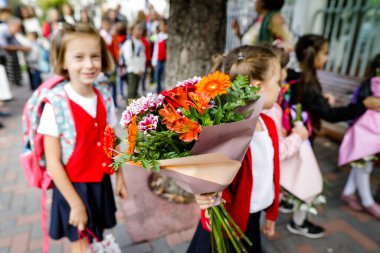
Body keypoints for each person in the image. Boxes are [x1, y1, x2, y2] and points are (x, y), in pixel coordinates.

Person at [37, 23, 127, 253]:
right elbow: (53, 163)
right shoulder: (55, 104)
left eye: (94, 56)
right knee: (80, 242)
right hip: (72, 187)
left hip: (100, 181)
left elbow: (112, 140)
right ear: (63, 61)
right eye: (79, 57)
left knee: (97, 234)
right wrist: (75, 203)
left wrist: (120, 177)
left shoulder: (104, 95)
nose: (89, 64)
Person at [188, 45, 281, 253]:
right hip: (227, 222)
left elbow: (274, 172)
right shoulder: (229, 132)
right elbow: (211, 180)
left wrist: (272, 214)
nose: (281, 87)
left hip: (253, 217)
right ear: (259, 86)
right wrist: (205, 195)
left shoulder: (269, 125)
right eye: (277, 82)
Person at [262, 44, 325, 238]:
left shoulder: (271, 103)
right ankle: (297, 219)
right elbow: (276, 150)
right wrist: (298, 136)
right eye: (283, 69)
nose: (285, 75)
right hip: (286, 149)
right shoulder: (268, 108)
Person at [286, 34, 380, 141]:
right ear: (313, 55)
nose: (327, 58)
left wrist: (321, 99)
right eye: (325, 53)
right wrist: (364, 105)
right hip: (300, 139)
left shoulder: (294, 77)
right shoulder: (306, 84)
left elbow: (308, 102)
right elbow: (330, 114)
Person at [340, 54, 380, 219]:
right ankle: (368, 201)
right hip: (365, 131)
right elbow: (359, 106)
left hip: (372, 131)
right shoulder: (370, 85)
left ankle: (348, 192)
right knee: (364, 164)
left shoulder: (370, 84)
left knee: (362, 162)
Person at [0, 17, 30, 86]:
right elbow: (4, 46)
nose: (19, 30)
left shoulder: (11, 32)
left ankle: (14, 81)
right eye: (18, 27)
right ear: (12, 25)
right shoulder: (2, 30)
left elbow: (16, 43)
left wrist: (22, 47)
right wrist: (21, 48)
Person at [120, 22, 145, 101]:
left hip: (139, 71)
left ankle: (135, 111)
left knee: (136, 92)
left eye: (141, 29)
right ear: (132, 31)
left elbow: (142, 58)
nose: (140, 31)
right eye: (138, 29)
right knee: (131, 93)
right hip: (132, 71)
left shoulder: (140, 43)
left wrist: (142, 69)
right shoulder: (129, 43)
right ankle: (129, 110)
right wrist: (136, 70)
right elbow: (128, 59)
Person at [152, 18, 167, 93]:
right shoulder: (158, 36)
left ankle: (164, 90)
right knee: (157, 75)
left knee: (164, 76)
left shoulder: (167, 36)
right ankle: (157, 90)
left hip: (165, 59)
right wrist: (154, 61)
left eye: (163, 25)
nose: (162, 27)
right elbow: (155, 49)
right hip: (158, 59)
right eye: (160, 25)